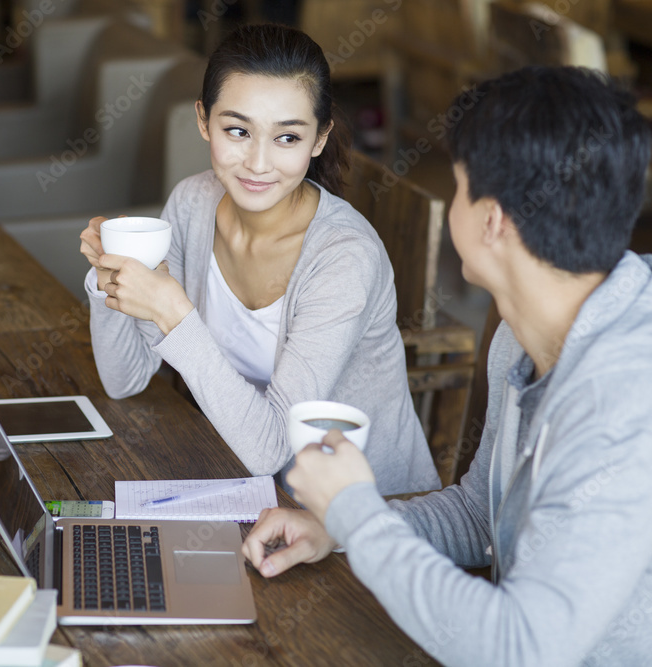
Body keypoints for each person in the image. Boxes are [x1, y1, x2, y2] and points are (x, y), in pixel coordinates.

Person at [244, 65, 652, 665]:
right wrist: (337, 528)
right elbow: (481, 518)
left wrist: (357, 510)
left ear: (492, 221)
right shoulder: (522, 333)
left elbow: (517, 647)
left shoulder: (624, 405)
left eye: (457, 185)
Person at [79, 23, 438, 495]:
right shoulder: (193, 205)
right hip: (248, 490)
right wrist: (106, 280)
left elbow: (272, 448)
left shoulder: (344, 258)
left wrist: (172, 311)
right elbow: (124, 380)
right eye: (237, 130)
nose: (258, 162)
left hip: (365, 517)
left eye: (287, 138)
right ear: (204, 121)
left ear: (319, 139)